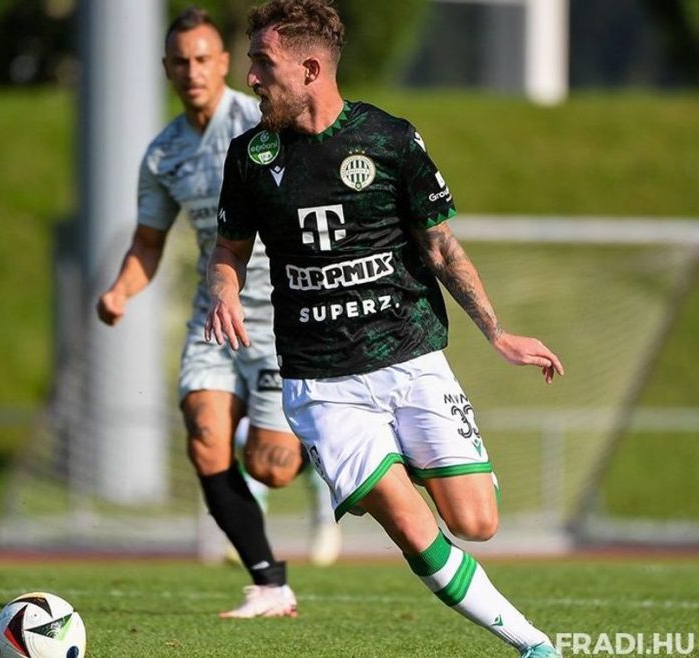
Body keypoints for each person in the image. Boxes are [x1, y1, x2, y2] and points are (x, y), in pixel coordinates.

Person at [204, 1, 564, 655]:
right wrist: (223, 289)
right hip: (322, 383)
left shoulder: (389, 140)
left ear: (310, 69)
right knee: (409, 525)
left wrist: (497, 333)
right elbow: (228, 249)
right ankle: (535, 645)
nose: (251, 78)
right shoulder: (250, 156)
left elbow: (441, 249)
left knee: (476, 523)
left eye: (262, 63)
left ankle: (421, 464)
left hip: (411, 357)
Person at [96, 6, 336, 619]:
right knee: (205, 443)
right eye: (181, 62)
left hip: (280, 321)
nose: (192, 71)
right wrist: (121, 291)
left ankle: (323, 451)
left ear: (224, 63)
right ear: (167, 69)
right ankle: (269, 583)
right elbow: (148, 241)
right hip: (215, 318)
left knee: (271, 469)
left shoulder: (261, 123)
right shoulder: (163, 153)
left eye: (203, 59)